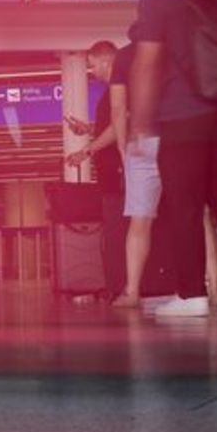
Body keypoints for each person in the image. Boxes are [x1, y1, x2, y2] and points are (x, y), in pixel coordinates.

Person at [126, 0, 217, 318]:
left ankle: (191, 294)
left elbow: (147, 62)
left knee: (185, 203)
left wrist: (142, 121)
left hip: (181, 116)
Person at [66, 41, 128, 301]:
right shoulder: (109, 94)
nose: (91, 71)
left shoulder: (122, 90)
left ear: (106, 61)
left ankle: (121, 287)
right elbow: (111, 128)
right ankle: (116, 286)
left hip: (119, 174)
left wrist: (86, 151)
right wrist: (88, 130)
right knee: (113, 233)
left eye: (92, 65)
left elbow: (118, 129)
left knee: (117, 233)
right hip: (111, 175)